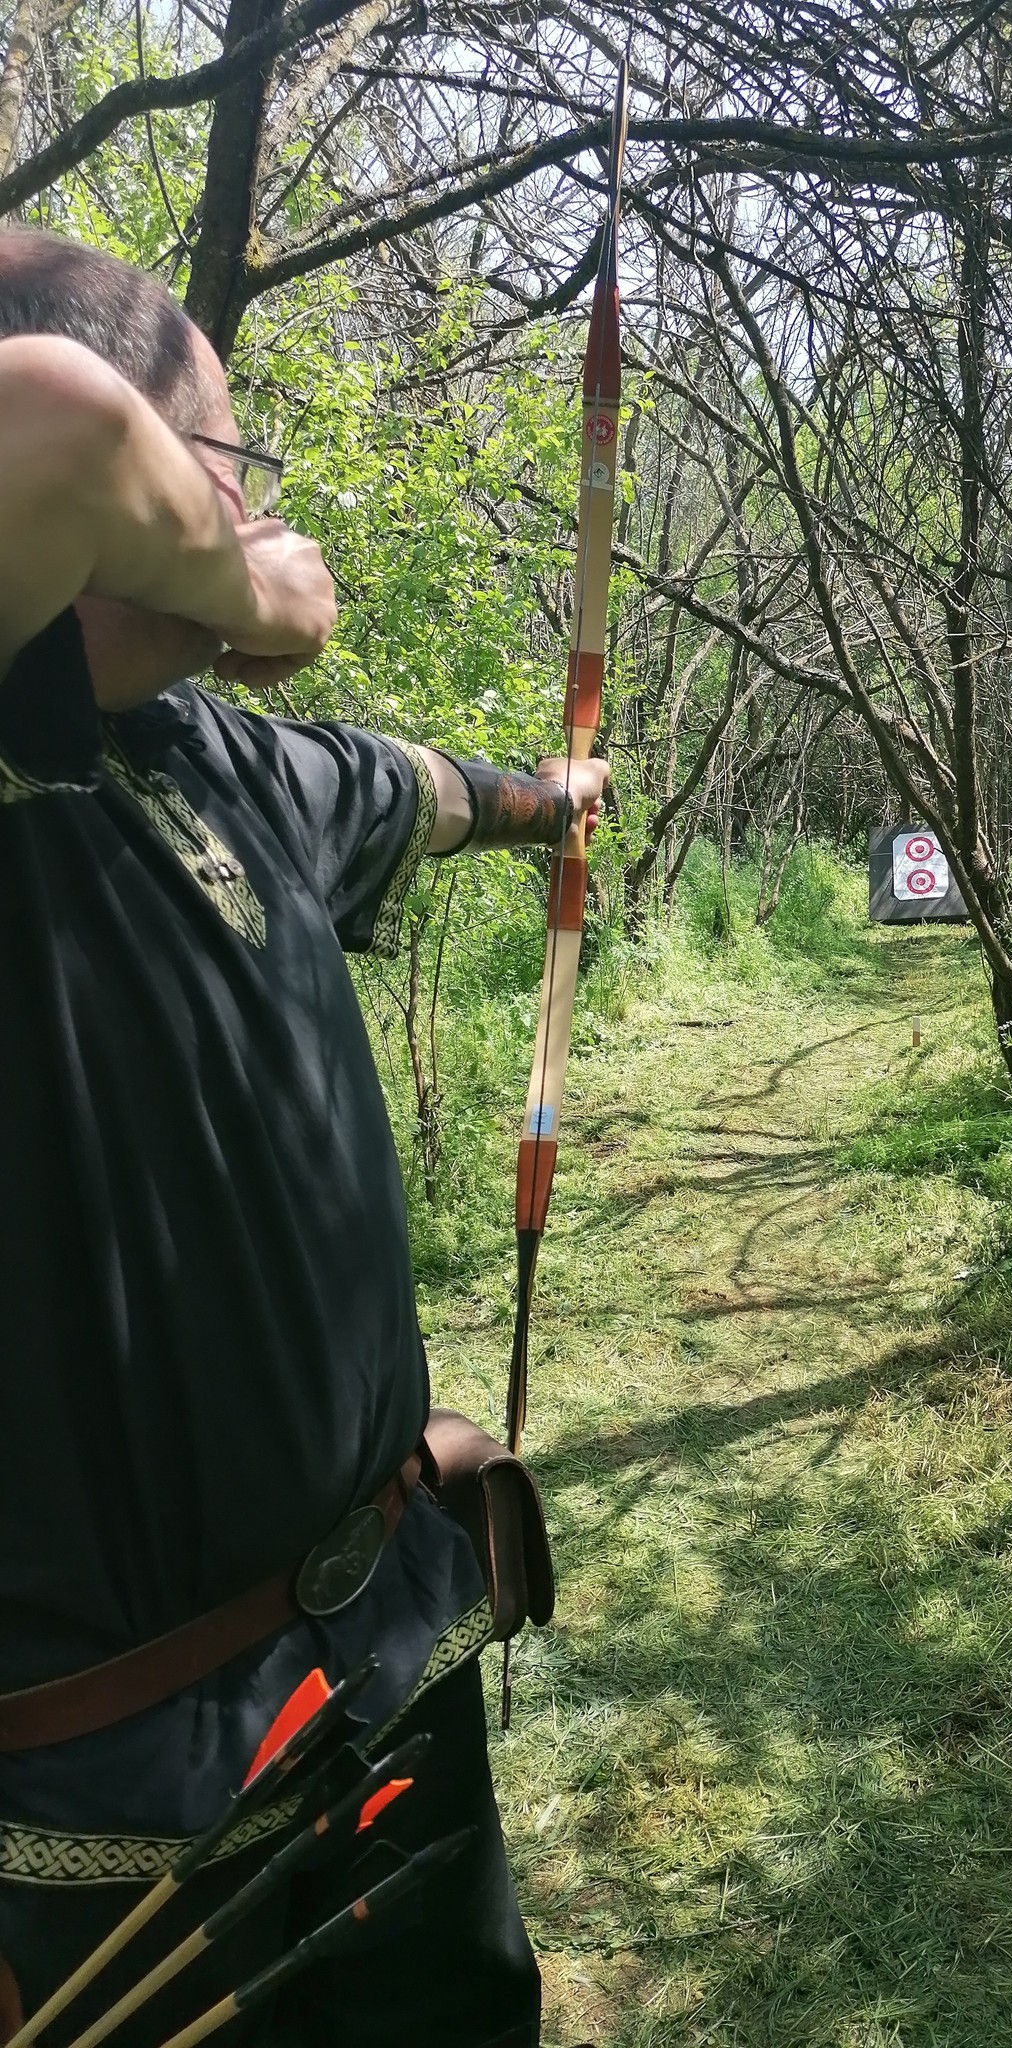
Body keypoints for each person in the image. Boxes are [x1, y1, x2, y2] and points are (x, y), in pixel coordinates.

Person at [0, 229, 607, 2046]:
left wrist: (552, 798)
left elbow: (424, 792)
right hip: (123, 1825)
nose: (262, 515)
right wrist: (257, 583)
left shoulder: (218, 759)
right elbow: (43, 430)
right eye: (232, 464)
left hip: (387, 1670)